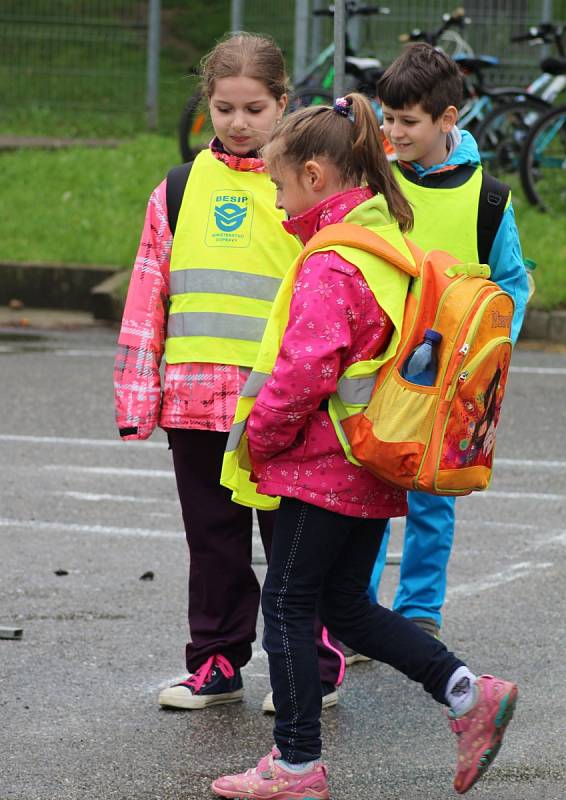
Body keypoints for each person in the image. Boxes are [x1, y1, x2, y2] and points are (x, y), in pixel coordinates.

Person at [212, 93, 518, 799]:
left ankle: (295, 765)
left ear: (316, 176)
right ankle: (470, 694)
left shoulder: (333, 259)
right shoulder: (387, 242)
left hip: (321, 467)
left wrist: (261, 439)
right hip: (374, 464)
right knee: (347, 606)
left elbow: (302, 372)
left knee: (287, 606)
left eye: (283, 187)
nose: (281, 206)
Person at [113, 32, 343, 713]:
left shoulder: (306, 185)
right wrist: (138, 393)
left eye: (253, 109)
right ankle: (215, 661)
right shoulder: (179, 189)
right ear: (206, 107)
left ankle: (313, 663)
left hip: (283, 403)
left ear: (283, 104)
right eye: (222, 109)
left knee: (292, 545)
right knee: (212, 541)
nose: (237, 123)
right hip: (193, 403)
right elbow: (147, 292)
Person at [367, 43, 530, 638]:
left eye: (407, 121)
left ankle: (417, 614)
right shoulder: (375, 182)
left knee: (433, 497)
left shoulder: (490, 199)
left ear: (447, 119)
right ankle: (356, 616)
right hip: (381, 365)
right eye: (387, 119)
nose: (394, 131)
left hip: (449, 377)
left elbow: (510, 282)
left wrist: (483, 359)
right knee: (368, 490)